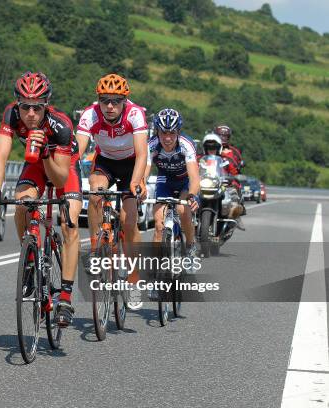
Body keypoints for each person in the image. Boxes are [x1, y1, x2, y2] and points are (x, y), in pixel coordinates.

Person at [0, 72, 82, 328]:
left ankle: (67, 297)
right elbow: (1, 156)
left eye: (37, 107)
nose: (30, 113)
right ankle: (30, 261)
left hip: (62, 165)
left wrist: (48, 152)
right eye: (25, 106)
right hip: (36, 164)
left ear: (46, 105)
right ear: (17, 104)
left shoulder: (60, 125)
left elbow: (59, 180)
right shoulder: (11, 115)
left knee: (69, 224)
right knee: (21, 204)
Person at [75, 73, 148, 310]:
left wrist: (138, 182)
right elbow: (77, 150)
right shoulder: (91, 114)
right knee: (95, 194)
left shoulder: (135, 114)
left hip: (131, 164)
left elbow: (143, 154)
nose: (109, 106)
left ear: (124, 101)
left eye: (115, 101)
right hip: (105, 161)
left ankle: (134, 279)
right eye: (105, 100)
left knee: (128, 222)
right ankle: (97, 248)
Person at [144, 109, 200, 260]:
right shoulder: (151, 144)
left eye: (172, 133)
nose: (167, 138)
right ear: (157, 132)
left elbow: (195, 178)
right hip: (165, 180)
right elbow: (144, 172)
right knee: (158, 224)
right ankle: (155, 268)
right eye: (163, 133)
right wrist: (140, 189)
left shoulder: (186, 144)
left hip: (185, 181)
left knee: (183, 210)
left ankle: (190, 246)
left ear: (178, 132)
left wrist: (192, 196)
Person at [201, 134, 244, 227]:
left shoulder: (225, 160)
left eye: (214, 147)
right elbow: (191, 168)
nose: (211, 150)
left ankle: (234, 215)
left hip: (221, 184)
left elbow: (234, 171)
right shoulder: (199, 159)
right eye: (209, 147)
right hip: (203, 184)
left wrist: (232, 176)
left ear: (219, 148)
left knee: (232, 194)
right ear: (204, 148)